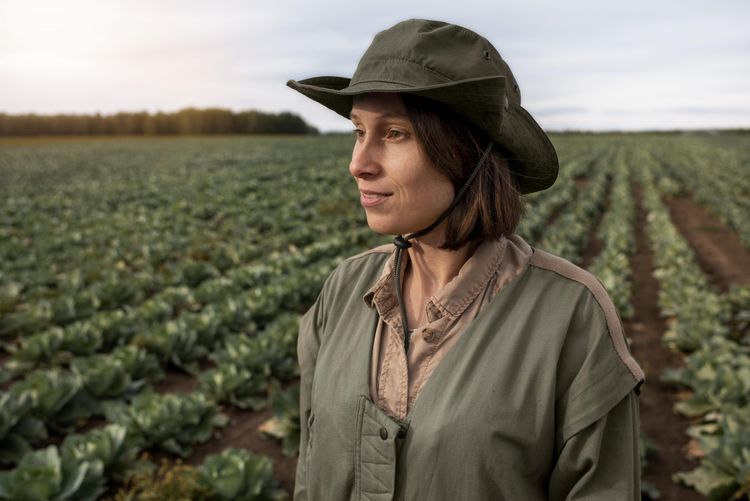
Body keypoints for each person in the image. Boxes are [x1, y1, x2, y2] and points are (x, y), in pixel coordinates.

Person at [286, 19, 644, 500]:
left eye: (394, 134)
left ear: (466, 152)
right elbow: (311, 472)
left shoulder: (571, 315)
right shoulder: (344, 288)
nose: (359, 163)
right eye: (358, 132)